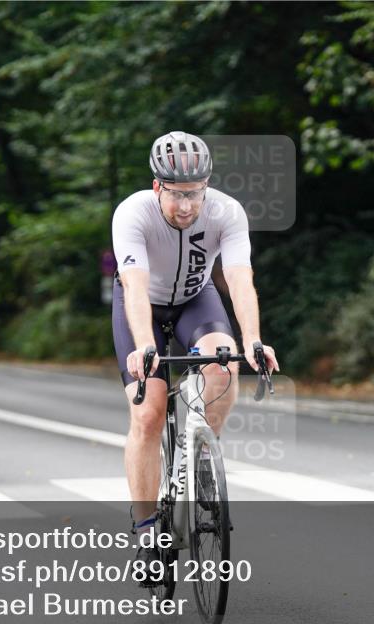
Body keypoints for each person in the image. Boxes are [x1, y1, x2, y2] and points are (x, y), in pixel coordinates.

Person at [111, 132, 279, 583]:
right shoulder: (133, 213)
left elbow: (240, 279)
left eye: (196, 193)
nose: (187, 206)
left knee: (224, 365)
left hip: (195, 299)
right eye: (177, 194)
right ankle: (147, 529)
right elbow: (134, 286)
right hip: (142, 303)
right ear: (157, 187)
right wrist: (145, 344)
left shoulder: (227, 212)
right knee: (148, 413)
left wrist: (254, 339)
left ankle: (203, 454)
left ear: (208, 185)